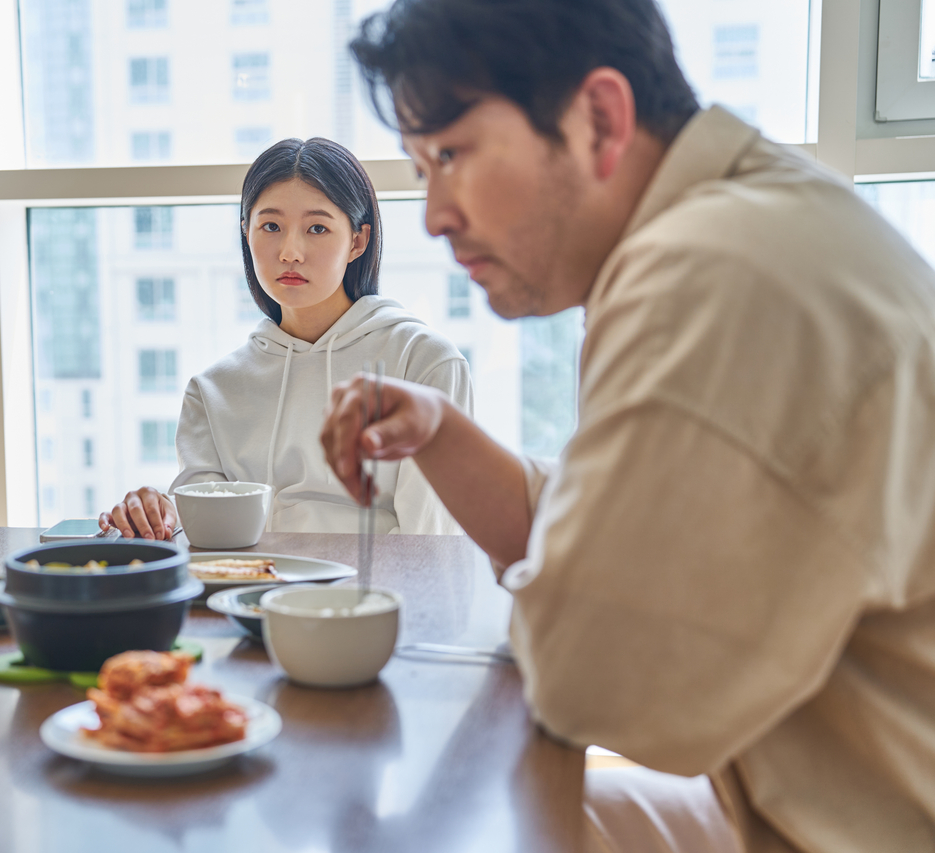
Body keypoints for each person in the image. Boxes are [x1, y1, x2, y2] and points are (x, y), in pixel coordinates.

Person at [319, 1, 935, 852]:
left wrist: (565, 580)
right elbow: (602, 531)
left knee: (456, 826)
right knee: (479, 815)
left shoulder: (710, 274)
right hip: (820, 801)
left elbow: (589, 674)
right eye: (423, 168)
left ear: (600, 117)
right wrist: (438, 431)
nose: (433, 214)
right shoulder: (747, 218)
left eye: (452, 154)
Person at [100, 137, 470, 540]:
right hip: (245, 600)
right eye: (271, 226)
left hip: (372, 600)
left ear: (357, 242)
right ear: (246, 232)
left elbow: (429, 545)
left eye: (317, 228)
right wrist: (159, 512)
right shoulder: (213, 390)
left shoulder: (423, 362)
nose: (290, 252)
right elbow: (204, 540)